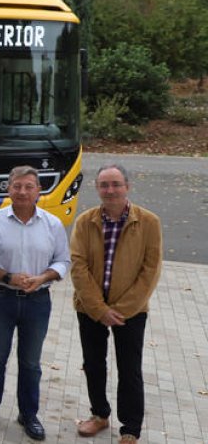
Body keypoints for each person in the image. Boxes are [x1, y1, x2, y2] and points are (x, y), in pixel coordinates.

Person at [0, 165, 71, 441]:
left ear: (39, 191)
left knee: (31, 363)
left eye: (29, 187)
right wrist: (9, 277)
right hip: (0, 298)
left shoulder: (52, 224)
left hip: (38, 301)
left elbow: (63, 261)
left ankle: (28, 414)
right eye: (17, 186)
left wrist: (43, 278)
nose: (23, 192)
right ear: (8, 189)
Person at [69, 164, 162, 443]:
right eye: (104, 185)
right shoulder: (85, 221)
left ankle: (131, 428)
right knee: (94, 363)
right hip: (90, 308)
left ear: (127, 187)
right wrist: (99, 309)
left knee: (129, 368)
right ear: (97, 188)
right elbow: (78, 266)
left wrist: (119, 310)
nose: (110, 190)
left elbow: (151, 270)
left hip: (131, 311)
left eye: (116, 184)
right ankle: (99, 414)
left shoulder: (149, 222)